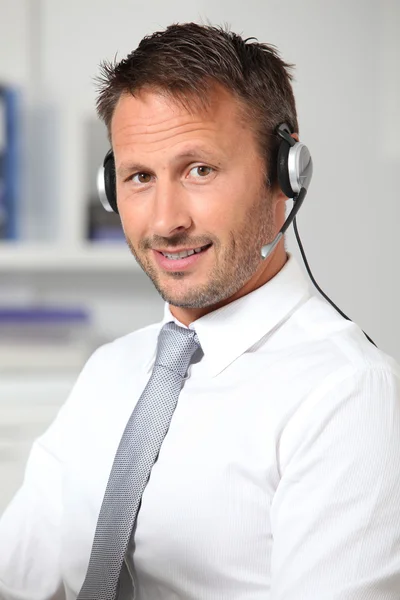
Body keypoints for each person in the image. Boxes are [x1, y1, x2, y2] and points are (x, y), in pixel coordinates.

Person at [1, 22, 400, 600]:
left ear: (285, 175)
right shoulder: (110, 372)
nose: (165, 221)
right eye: (139, 177)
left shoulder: (348, 394)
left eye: (199, 170)